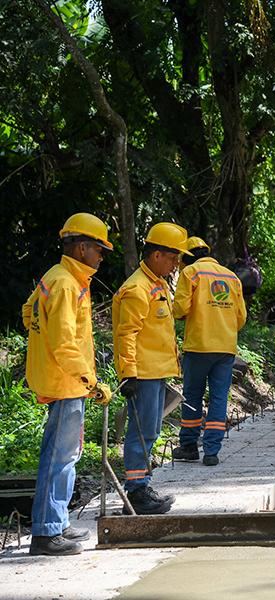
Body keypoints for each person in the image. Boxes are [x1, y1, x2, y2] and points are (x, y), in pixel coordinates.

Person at [23, 213, 113, 556]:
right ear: (81, 248)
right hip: (67, 382)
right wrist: (89, 380)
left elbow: (28, 311)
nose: (102, 257)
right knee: (59, 458)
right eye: (99, 250)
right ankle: (46, 533)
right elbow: (63, 342)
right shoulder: (65, 283)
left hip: (65, 380)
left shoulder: (61, 278)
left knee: (67, 455)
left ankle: (57, 522)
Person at [112, 222, 191, 514]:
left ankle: (142, 485)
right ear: (157, 255)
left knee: (151, 430)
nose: (175, 265)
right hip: (142, 373)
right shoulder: (137, 288)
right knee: (142, 432)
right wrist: (128, 373)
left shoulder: (156, 284)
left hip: (156, 371)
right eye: (172, 258)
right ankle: (136, 492)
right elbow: (126, 334)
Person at [171, 237, 247, 466]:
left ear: (187, 257)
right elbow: (241, 317)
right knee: (219, 397)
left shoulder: (190, 273)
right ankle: (212, 451)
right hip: (225, 348)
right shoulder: (231, 276)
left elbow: (180, 309)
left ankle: (189, 446)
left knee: (192, 396)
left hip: (198, 346)